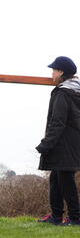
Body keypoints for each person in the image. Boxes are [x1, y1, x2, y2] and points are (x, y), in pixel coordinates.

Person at [36, 56, 80, 226]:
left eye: (54, 70)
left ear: (61, 72)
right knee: (56, 178)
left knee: (66, 181)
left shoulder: (63, 92)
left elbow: (58, 121)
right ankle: (56, 216)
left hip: (63, 143)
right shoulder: (76, 90)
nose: (52, 74)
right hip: (72, 142)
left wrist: (46, 144)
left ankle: (75, 218)